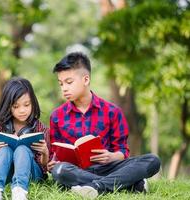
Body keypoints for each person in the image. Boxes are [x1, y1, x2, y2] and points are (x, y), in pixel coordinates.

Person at [47, 52, 161, 199]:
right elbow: (55, 154)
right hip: (75, 170)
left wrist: (111, 156)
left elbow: (122, 151)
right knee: (60, 170)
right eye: (61, 83)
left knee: (152, 160)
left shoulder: (112, 111)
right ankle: (130, 184)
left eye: (69, 82)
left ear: (86, 79)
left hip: (109, 168)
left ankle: (97, 187)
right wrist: (53, 163)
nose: (64, 88)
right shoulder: (57, 116)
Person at [0, 77, 50, 200]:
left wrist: (45, 152)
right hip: (6, 174)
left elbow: (45, 167)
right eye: (16, 106)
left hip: (31, 175)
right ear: (8, 106)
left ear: (33, 103)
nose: (22, 110)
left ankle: (19, 191)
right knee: (4, 150)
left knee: (22, 149)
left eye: (26, 105)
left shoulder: (40, 128)